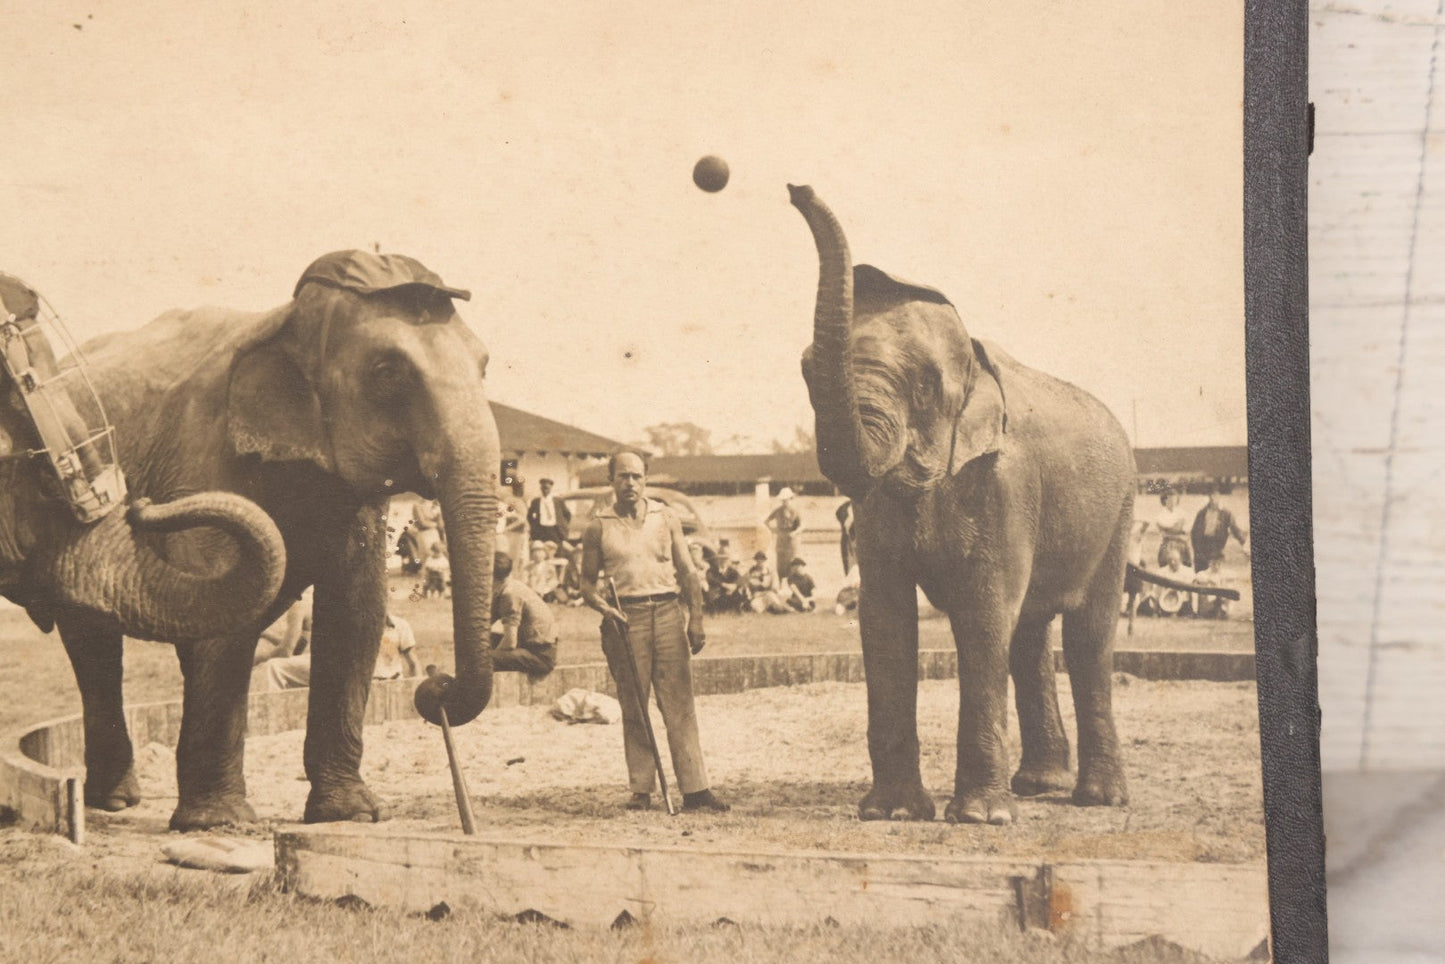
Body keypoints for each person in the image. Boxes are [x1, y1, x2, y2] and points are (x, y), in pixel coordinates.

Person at [580, 448, 728, 813]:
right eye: (622, 476)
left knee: (679, 703)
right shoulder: (598, 525)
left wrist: (696, 618)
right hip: (624, 620)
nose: (630, 483)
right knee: (635, 706)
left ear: (646, 479)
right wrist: (603, 606)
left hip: (666, 612)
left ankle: (696, 790)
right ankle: (641, 790)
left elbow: (689, 570)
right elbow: (584, 583)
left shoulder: (666, 518)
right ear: (610, 480)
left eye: (637, 476)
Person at [263, 603, 416, 690]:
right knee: (278, 667)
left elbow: (414, 663)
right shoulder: (352, 621)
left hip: (362, 683)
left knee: (274, 667)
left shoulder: (399, 625)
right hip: (353, 678)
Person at [490, 551, 558, 679]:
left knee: (482, 661)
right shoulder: (512, 585)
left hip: (540, 656)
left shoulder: (509, 594)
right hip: (536, 647)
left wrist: (492, 655)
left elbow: (510, 642)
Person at [1190, 485, 1249, 573]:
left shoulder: (1226, 513)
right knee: (1201, 573)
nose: (1213, 499)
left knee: (1214, 572)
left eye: (1216, 496)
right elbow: (1194, 532)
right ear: (1208, 497)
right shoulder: (1202, 513)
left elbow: (1235, 529)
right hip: (1202, 545)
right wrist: (1197, 550)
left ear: (1220, 497)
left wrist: (1245, 544)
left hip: (1216, 545)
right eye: (1211, 496)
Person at [765, 487, 804, 575]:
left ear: (791, 499)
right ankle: (780, 581)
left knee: (793, 560)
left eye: (786, 500)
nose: (785, 502)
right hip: (781, 538)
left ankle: (793, 580)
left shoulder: (795, 511)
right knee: (781, 560)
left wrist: (795, 533)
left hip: (792, 538)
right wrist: (774, 530)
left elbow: (802, 525)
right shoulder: (778, 510)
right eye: (783, 500)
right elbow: (766, 521)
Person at [1152, 488, 1192, 567]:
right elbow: (1164, 533)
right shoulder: (1160, 515)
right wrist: (1176, 530)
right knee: (1164, 562)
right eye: (1169, 500)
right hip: (1167, 542)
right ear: (1164, 501)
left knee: (1185, 563)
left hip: (1181, 543)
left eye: (1174, 499)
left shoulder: (1183, 513)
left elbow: (1186, 531)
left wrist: (1173, 529)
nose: (1172, 502)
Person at [527, 477, 572, 545]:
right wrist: (535, 527)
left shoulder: (558, 501)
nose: (545, 490)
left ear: (551, 488)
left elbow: (567, 515)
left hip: (555, 531)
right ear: (541, 488)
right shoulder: (536, 502)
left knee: (557, 551)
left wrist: (562, 524)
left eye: (547, 488)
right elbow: (529, 516)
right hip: (541, 531)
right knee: (541, 551)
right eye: (543, 488)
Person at [835, 499, 857, 575]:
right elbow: (839, 514)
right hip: (848, 541)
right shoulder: (845, 507)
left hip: (861, 541)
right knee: (849, 567)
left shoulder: (864, 506)